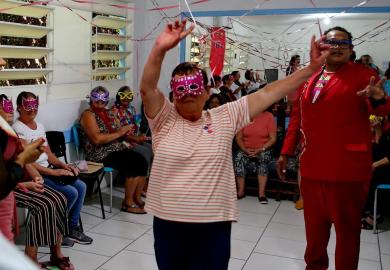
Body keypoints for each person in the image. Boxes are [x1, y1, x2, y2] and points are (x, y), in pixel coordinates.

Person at [139, 19, 330, 270]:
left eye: (195, 88)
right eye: (181, 90)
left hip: (213, 223)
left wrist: (311, 70)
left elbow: (267, 93)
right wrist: (159, 49)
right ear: (173, 94)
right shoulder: (164, 118)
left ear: (207, 92)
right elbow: (147, 88)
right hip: (169, 222)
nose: (188, 95)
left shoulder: (225, 116)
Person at [278, 26, 390, 270]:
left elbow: (384, 112)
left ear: (351, 48)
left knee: (348, 234)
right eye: (332, 42)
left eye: (344, 43)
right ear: (322, 48)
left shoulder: (364, 75)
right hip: (311, 170)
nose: (338, 47)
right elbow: (297, 118)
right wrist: (286, 152)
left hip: (347, 171)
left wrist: (377, 97)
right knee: (314, 236)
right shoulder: (309, 77)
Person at [0, 94, 73, 270]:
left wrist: (36, 178)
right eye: (5, 107)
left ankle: (56, 252)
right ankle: (30, 258)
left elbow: (23, 160)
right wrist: (26, 184)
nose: (9, 110)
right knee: (44, 204)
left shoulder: (8, 134)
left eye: (9, 106)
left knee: (60, 198)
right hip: (9, 188)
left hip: (15, 181)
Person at [12, 91, 93, 246]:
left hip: (49, 169)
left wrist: (64, 165)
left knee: (81, 187)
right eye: (27, 105)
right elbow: (27, 161)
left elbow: (49, 154)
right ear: (19, 107)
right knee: (71, 193)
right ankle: (57, 231)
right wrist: (54, 172)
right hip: (35, 175)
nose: (32, 109)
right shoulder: (17, 128)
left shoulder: (40, 126)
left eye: (34, 105)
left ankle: (71, 228)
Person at [80, 86, 148, 213]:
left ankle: (136, 198)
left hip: (116, 148)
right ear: (91, 100)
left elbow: (121, 134)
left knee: (142, 161)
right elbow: (96, 139)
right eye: (97, 100)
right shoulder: (88, 115)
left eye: (103, 100)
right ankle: (127, 204)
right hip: (99, 153)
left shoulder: (109, 113)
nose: (100, 103)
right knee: (133, 164)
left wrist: (136, 138)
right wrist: (120, 133)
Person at [362, 99, 390, 229]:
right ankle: (365, 208)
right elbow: (380, 148)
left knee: (376, 174)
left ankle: (375, 215)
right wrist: (378, 130)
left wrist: (374, 165)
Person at [234, 109, 277, 203]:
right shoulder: (243, 116)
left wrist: (261, 149)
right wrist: (245, 149)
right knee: (238, 158)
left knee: (262, 158)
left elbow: (273, 139)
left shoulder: (269, 116)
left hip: (264, 149)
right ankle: (241, 191)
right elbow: (238, 137)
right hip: (246, 149)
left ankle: (261, 194)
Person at [110, 86, 153, 175]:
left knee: (153, 149)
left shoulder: (131, 109)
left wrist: (140, 136)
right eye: (123, 96)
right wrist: (135, 138)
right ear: (119, 96)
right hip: (122, 142)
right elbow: (118, 134)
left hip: (133, 139)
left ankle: (150, 177)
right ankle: (142, 179)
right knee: (146, 151)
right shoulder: (114, 112)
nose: (126, 98)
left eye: (129, 96)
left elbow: (134, 127)